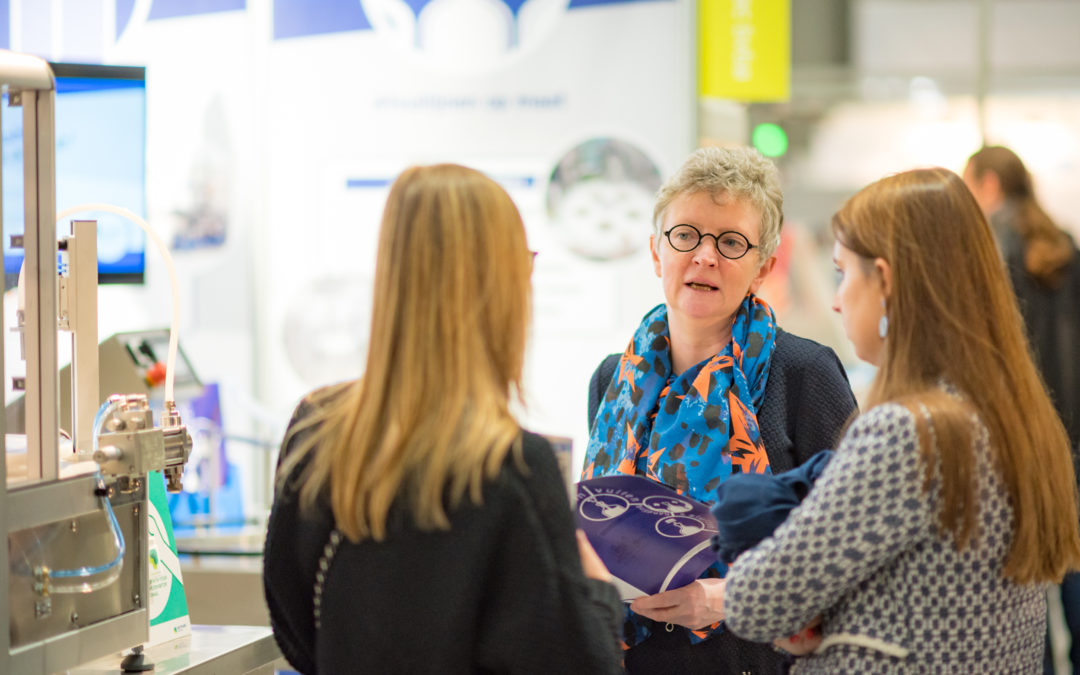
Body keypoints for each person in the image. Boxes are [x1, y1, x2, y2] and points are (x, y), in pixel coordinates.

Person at [264, 164, 623, 675]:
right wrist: (600, 595)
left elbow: (299, 636)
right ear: (497, 287)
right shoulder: (513, 466)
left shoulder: (317, 427)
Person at [722, 167, 1080, 673]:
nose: (836, 298)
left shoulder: (910, 432)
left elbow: (756, 601)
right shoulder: (1011, 417)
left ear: (886, 281)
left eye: (843, 273)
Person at [582, 146, 857, 674]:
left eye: (731, 242)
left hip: (750, 658)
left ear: (762, 268)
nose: (704, 256)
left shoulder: (803, 375)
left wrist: (725, 596)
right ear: (656, 250)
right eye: (685, 235)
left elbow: (847, 552)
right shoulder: (610, 379)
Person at [964, 145, 1080, 673]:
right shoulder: (1065, 247)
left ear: (988, 185)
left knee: (1026, 600)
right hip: (1074, 438)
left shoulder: (990, 246)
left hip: (1020, 443)